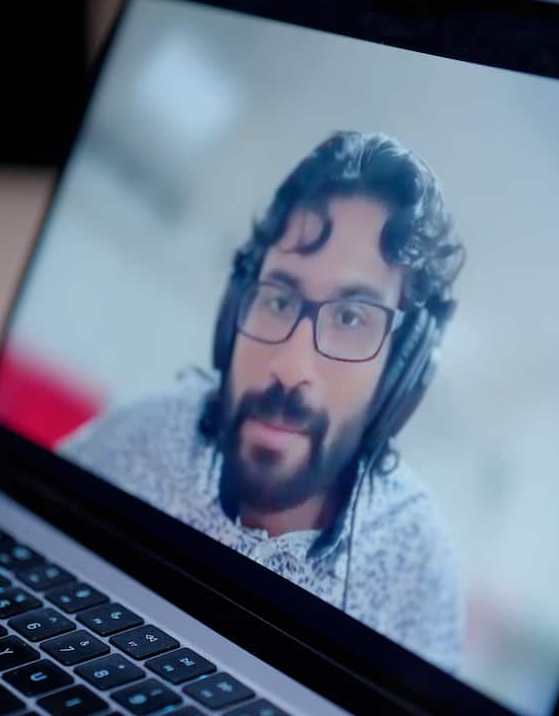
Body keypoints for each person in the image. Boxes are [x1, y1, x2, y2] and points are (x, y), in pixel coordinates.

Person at [61, 130, 467, 671]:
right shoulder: (142, 435)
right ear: (235, 312)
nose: (291, 367)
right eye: (278, 299)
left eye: (351, 318)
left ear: (400, 373)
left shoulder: (419, 564)